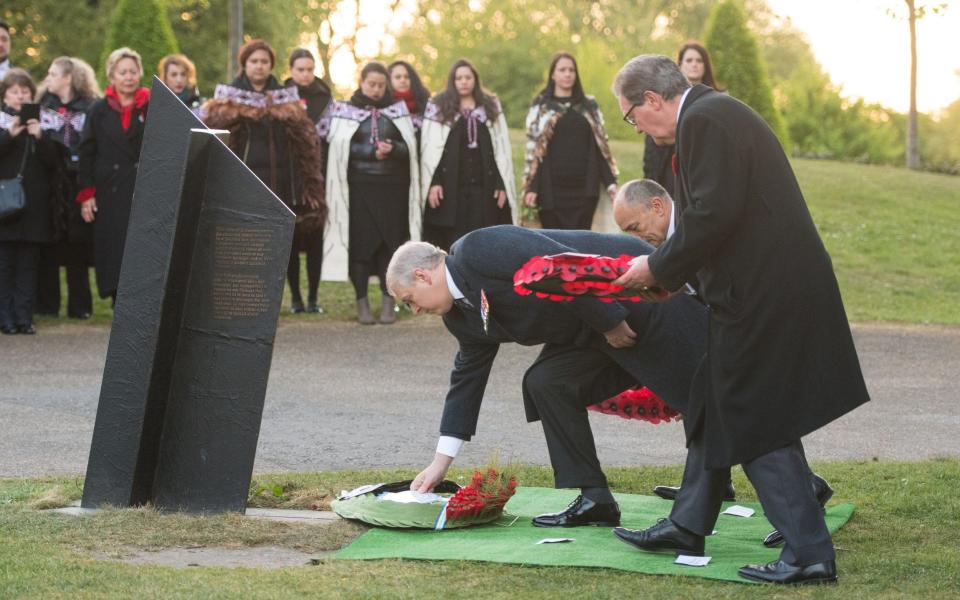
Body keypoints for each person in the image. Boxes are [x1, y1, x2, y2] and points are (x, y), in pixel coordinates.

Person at [611, 55, 870, 585]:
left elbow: (714, 215)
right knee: (714, 394)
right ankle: (689, 522)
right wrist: (673, 280)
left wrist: (656, 266)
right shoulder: (711, 115)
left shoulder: (705, 120)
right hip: (761, 290)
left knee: (753, 413)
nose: (636, 126)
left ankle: (807, 552)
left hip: (766, 295)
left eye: (631, 116)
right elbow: (727, 218)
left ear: (653, 100)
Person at [387, 225, 709, 528]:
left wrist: (609, 321)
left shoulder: (477, 249)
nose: (414, 310)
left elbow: (563, 265)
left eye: (408, 300)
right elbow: (466, 381)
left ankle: (711, 495)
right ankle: (595, 499)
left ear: (422, 275)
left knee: (702, 394)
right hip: (592, 331)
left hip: (633, 292)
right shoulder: (459, 317)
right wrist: (440, 465)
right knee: (548, 382)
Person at [612, 178, 834, 548]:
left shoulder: (694, 222)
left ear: (657, 206)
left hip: (766, 318)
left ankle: (803, 529)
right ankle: (689, 525)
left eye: (635, 227)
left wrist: (662, 275)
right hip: (748, 321)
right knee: (713, 407)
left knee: (746, 418)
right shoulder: (679, 233)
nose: (637, 236)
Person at [202, 39, 325, 314]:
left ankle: (284, 299)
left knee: (282, 243)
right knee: (245, 243)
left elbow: (306, 144)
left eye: (264, 62)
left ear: (271, 65)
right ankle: (246, 300)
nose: (259, 66)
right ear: (244, 64)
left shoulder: (287, 98)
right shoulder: (227, 98)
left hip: (281, 183)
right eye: (254, 61)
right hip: (244, 183)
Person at [324, 62, 419, 324]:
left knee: (390, 246)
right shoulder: (346, 110)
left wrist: (394, 149)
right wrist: (370, 153)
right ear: (361, 82)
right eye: (371, 84)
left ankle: (389, 301)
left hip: (393, 188)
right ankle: (362, 303)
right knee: (362, 247)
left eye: (380, 85)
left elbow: (410, 147)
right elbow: (341, 147)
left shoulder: (397, 111)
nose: (376, 90)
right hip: (360, 187)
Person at [77, 47, 150, 303]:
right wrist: (86, 193)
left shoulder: (152, 105)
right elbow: (86, 152)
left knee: (141, 248)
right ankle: (118, 299)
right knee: (114, 247)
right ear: (112, 76)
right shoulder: (98, 110)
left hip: (142, 188)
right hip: (109, 189)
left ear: (139, 74)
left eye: (133, 71)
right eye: (123, 72)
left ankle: (142, 302)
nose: (128, 77)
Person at [420, 59, 514, 251]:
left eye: (468, 77)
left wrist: (500, 183)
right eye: (459, 78)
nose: (463, 82)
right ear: (452, 81)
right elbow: (430, 151)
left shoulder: (490, 107)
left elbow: (500, 149)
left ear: (475, 80)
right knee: (451, 242)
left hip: (483, 189)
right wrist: (434, 182)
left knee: (482, 237)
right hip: (450, 189)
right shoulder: (439, 107)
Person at [35, 57, 100, 319]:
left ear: (68, 78)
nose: (48, 78)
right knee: (50, 244)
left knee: (77, 244)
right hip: (50, 181)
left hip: (78, 180)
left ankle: (80, 306)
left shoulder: (90, 107)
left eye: (53, 74)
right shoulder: (43, 105)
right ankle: (47, 306)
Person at [522, 52, 618, 230]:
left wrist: (611, 183)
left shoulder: (589, 106)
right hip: (550, 192)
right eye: (562, 70)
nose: (567, 74)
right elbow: (535, 153)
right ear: (553, 74)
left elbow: (600, 148)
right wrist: (532, 187)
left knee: (582, 245)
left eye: (571, 70)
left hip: (585, 192)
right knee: (553, 244)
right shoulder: (541, 106)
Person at [0, 69, 59, 334]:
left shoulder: (44, 124)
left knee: (28, 267)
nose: (20, 96)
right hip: (5, 207)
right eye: (14, 92)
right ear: (5, 96)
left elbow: (54, 163)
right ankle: (5, 318)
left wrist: (40, 138)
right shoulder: (3, 123)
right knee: (4, 266)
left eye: (25, 91)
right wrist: (10, 134)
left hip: (34, 208)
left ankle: (24, 318)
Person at [284, 48, 333, 314]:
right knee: (290, 238)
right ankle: (295, 298)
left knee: (315, 239)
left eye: (309, 69)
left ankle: (313, 298)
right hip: (288, 176)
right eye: (300, 69)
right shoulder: (281, 96)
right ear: (291, 70)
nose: (305, 74)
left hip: (316, 175)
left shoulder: (325, 98)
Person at [643, 42, 721, 198]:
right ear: (680, 65)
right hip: (666, 167)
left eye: (699, 61)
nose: (694, 65)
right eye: (689, 60)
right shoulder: (664, 96)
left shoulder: (717, 99)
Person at [387, 60, 430, 133]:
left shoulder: (427, 106)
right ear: (389, 80)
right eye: (398, 77)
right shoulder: (383, 109)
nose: (403, 80)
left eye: (407, 77)